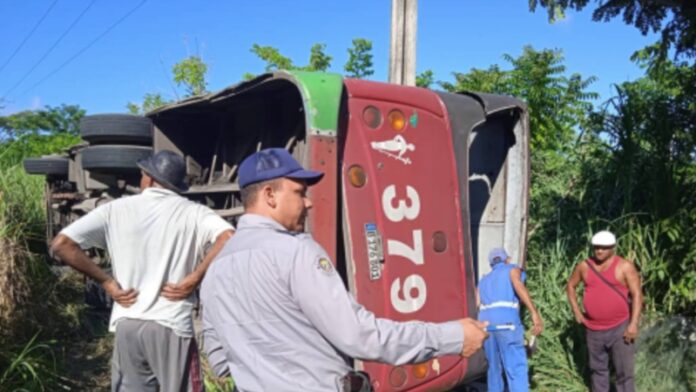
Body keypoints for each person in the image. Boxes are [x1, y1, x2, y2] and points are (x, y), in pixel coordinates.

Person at [200, 147, 489, 392]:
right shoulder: (295, 251)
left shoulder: (216, 269)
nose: (308, 202)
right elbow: (360, 336)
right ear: (269, 195)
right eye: (300, 192)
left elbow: (220, 361)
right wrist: (453, 337)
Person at [51, 150, 235, 392]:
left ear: (148, 178)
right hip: (171, 324)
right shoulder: (194, 212)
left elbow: (62, 245)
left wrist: (107, 283)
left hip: (128, 322)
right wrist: (194, 278)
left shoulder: (115, 210)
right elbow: (229, 236)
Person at [566, 230, 642, 392]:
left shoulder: (624, 266)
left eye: (604, 248)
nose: (599, 251)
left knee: (624, 372)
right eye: (596, 247)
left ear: (613, 248)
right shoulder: (584, 266)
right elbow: (571, 286)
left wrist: (633, 324)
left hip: (620, 327)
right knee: (598, 370)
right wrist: (577, 312)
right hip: (593, 329)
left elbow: (637, 294)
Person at [477, 248, 543, 392]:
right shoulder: (512, 270)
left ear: (491, 264)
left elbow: (477, 303)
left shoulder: (483, 280)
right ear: (506, 259)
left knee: (493, 369)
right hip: (507, 325)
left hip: (486, 327)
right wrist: (534, 312)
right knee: (516, 368)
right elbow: (518, 285)